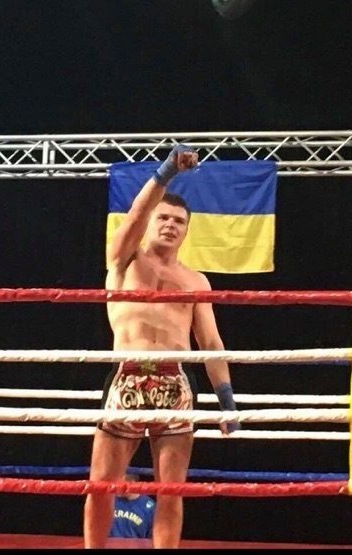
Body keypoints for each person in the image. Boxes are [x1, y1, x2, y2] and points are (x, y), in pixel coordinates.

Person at [83, 144, 240, 549]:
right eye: (164, 217)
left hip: (176, 382)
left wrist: (226, 400)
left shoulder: (196, 281)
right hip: (128, 376)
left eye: (179, 221)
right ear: (150, 221)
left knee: (171, 489)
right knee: (101, 484)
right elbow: (135, 215)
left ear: (187, 231)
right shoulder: (124, 260)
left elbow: (210, 342)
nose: (171, 225)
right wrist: (167, 171)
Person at [109, 474, 155, 540]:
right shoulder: (111, 501)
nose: (117, 486)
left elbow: (152, 537)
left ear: (132, 483)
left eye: (120, 482)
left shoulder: (149, 506)